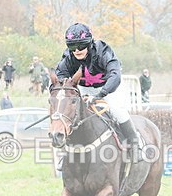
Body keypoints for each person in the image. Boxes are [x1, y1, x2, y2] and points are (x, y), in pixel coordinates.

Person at [55, 22, 141, 161]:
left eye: (81, 45)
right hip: (84, 88)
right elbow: (60, 76)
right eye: (72, 46)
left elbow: (115, 76)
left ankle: (135, 145)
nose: (77, 50)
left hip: (110, 87)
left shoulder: (103, 52)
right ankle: (66, 151)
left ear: (89, 43)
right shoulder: (68, 58)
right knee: (72, 113)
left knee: (116, 110)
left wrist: (101, 95)